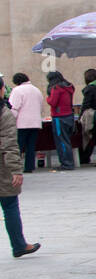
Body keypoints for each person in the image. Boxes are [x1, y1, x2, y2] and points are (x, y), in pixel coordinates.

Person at [0, 94, 40, 258]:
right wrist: (16, 170)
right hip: (3, 168)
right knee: (10, 206)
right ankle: (18, 245)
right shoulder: (3, 113)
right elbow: (10, 143)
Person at [8, 73, 43, 174]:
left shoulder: (17, 90)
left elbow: (14, 107)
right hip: (35, 122)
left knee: (18, 146)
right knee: (31, 146)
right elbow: (40, 106)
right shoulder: (36, 90)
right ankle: (29, 167)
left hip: (22, 123)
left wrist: (10, 120)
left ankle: (16, 167)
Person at [44, 71, 76, 171]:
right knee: (67, 140)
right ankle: (69, 162)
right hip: (69, 116)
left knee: (61, 141)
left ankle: (66, 163)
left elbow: (52, 102)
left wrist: (47, 98)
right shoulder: (69, 86)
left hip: (59, 117)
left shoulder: (56, 88)